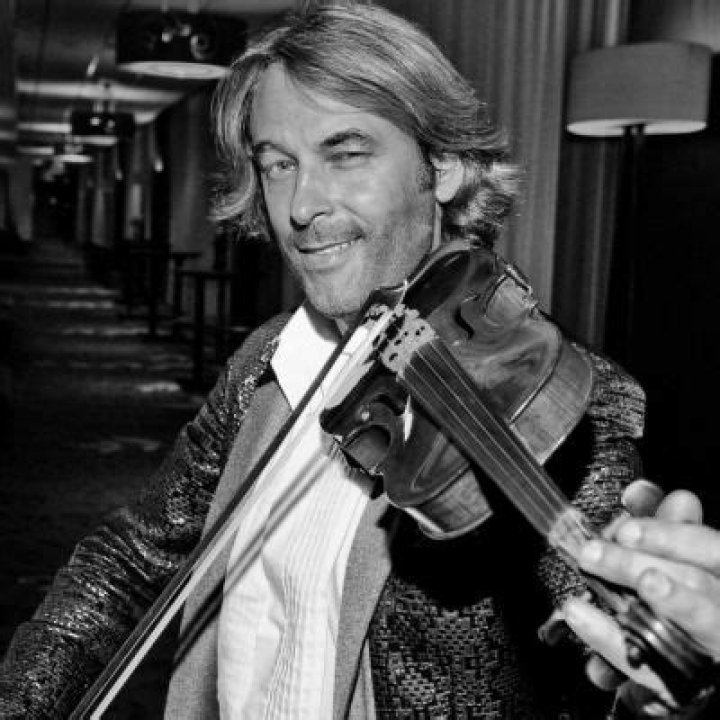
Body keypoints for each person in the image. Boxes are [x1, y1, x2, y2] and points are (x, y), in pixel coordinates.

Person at [0, 3, 718, 719]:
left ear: (442, 167)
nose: (301, 205)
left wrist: (660, 644)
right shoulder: (268, 360)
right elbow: (132, 556)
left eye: (345, 153)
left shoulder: (559, 398)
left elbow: (587, 604)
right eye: (278, 165)